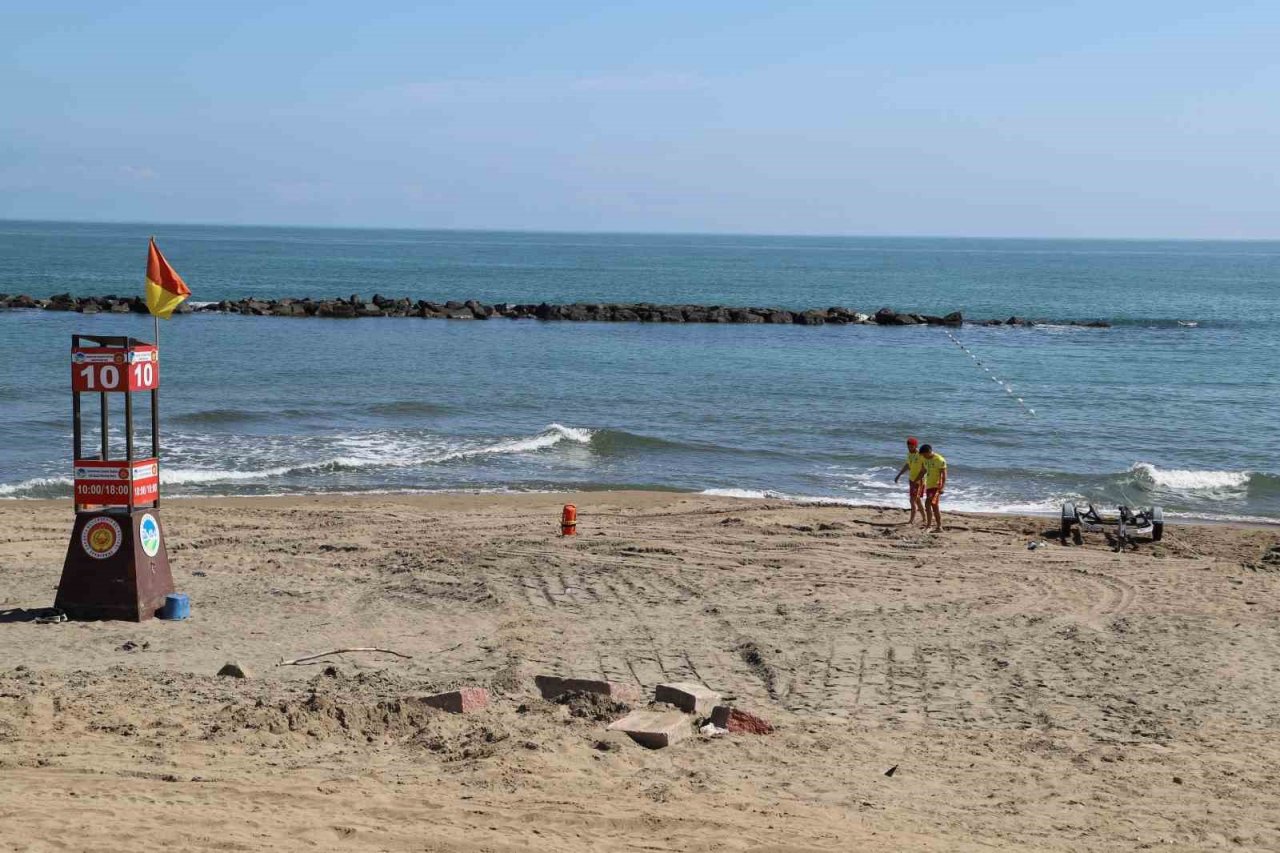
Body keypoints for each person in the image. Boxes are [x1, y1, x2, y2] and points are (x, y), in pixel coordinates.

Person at [893, 436, 926, 527]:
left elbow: (924, 469)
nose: (910, 448)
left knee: (912, 500)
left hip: (919, 481)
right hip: (911, 480)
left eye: (911, 447)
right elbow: (908, 465)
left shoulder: (920, 455)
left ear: (916, 446)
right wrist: (899, 475)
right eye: (908, 447)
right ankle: (924, 518)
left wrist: (918, 480)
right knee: (917, 500)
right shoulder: (909, 454)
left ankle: (911, 521)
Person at [919, 443, 947, 532]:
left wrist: (942, 487)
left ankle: (929, 525)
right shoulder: (924, 458)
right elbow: (923, 471)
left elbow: (944, 475)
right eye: (922, 455)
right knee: (935, 506)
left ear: (929, 452)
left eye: (925, 454)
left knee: (927, 503)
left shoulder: (939, 460)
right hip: (929, 485)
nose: (924, 457)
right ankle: (939, 526)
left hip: (936, 486)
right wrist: (916, 480)